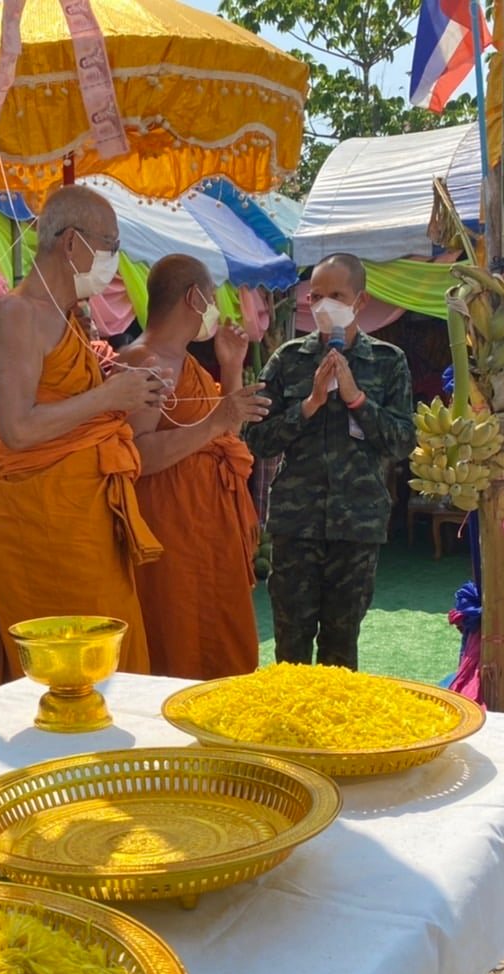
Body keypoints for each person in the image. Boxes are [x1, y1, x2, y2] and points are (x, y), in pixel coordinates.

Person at [0, 185, 166, 693]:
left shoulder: (69, 319)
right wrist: (107, 396)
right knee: (67, 669)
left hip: (85, 513)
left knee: (110, 652)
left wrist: (125, 391)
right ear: (73, 244)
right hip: (36, 517)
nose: (114, 259)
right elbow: (18, 429)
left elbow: (77, 411)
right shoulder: (19, 313)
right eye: (110, 244)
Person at [244, 253, 415, 669]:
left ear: (360, 301)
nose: (323, 305)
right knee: (291, 647)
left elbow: (403, 442)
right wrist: (309, 405)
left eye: (336, 295)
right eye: (316, 295)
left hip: (356, 524)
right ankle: (287, 732)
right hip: (295, 525)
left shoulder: (388, 361)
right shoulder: (288, 359)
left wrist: (357, 400)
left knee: (342, 647)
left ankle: (334, 732)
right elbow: (257, 440)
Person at [121, 255, 271, 679]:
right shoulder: (142, 360)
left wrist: (231, 366)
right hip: (170, 523)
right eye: (210, 297)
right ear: (193, 297)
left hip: (211, 522)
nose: (213, 307)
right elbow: (138, 456)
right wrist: (216, 421)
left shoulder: (187, 362)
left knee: (224, 640)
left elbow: (227, 435)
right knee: (178, 638)